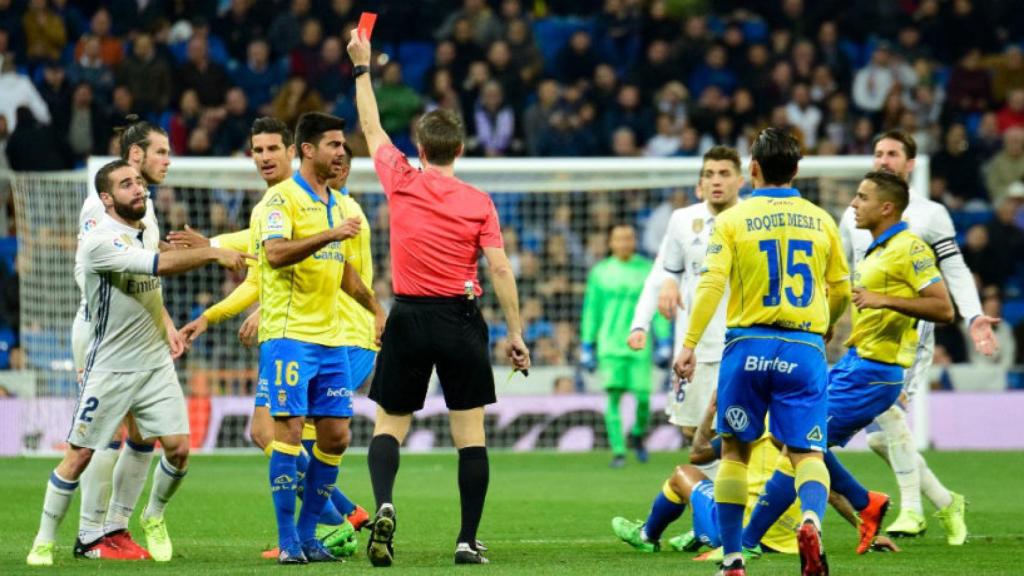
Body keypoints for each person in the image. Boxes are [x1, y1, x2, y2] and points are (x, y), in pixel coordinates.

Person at [347, 29, 530, 566]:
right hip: (459, 317)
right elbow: (497, 266)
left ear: (421, 149)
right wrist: (515, 333)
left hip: (407, 314)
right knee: (469, 435)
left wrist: (362, 68)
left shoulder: (401, 178)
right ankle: (466, 540)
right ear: (461, 149)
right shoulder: (478, 201)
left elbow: (371, 126)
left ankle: (384, 506)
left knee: (390, 425)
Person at [26, 160, 249, 566]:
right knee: (80, 455)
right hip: (110, 366)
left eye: (139, 182)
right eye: (127, 184)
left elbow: (152, 283)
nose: (138, 189)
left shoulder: (146, 229)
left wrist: (166, 325)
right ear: (107, 198)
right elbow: (157, 266)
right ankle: (44, 541)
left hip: (154, 364)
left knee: (179, 449)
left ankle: (152, 516)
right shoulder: (99, 242)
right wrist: (212, 253)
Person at [173, 127, 376, 557]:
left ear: (293, 153)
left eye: (272, 150)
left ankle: (333, 522)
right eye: (257, 150)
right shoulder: (278, 205)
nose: (264, 158)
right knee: (270, 430)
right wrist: (211, 251)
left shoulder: (335, 207)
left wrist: (263, 304)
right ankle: (327, 523)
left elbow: (316, 268)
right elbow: (262, 258)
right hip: (311, 333)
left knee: (286, 431)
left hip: (343, 334)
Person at [744, 171, 954, 558]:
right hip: (854, 363)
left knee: (798, 444)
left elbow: (943, 307)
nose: (854, 204)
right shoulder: (877, 248)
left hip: (876, 374)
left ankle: (746, 542)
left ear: (886, 207)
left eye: (862, 197)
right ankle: (864, 502)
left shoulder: (911, 249)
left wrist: (883, 299)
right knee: (789, 437)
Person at [674, 127, 850, 576]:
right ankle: (811, 519)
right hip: (804, 346)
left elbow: (711, 283)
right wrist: (825, 325)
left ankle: (733, 560)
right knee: (807, 454)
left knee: (734, 453)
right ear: (796, 169)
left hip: (747, 347)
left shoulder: (732, 220)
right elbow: (843, 290)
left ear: (752, 169)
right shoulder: (821, 219)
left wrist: (690, 343)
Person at [839, 129, 983, 544]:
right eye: (878, 152)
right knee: (881, 437)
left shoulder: (930, 214)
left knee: (890, 418)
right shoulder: (855, 211)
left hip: (908, 334)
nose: (883, 159)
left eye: (893, 153)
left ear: (911, 164)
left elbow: (953, 271)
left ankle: (912, 511)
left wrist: (973, 315)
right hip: (863, 328)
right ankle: (945, 501)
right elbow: (840, 264)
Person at [252, 111, 381, 564]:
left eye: (343, 144)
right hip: (289, 335)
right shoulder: (279, 201)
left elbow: (342, 269)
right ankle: (288, 541)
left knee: (337, 436)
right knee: (288, 432)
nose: (341, 151)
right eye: (333, 144)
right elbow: (275, 253)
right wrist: (329, 233)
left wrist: (376, 309)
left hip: (332, 338)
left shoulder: (343, 205)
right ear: (307, 150)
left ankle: (309, 537)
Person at [71, 118, 184, 562]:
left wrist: (166, 323)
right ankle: (89, 534)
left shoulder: (144, 206)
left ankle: (116, 526)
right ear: (136, 155)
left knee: (143, 436)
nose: (168, 160)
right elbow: (106, 271)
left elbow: (143, 276)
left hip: (140, 336)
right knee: (108, 435)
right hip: (103, 336)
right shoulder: (101, 209)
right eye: (161, 152)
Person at [641, 146, 743, 452]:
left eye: (725, 174)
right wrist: (669, 283)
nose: (716, 181)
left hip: (740, 339)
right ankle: (724, 491)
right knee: (690, 429)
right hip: (695, 343)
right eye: (709, 174)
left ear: (741, 180)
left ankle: (730, 495)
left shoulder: (752, 219)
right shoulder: (682, 219)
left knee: (738, 429)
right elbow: (668, 268)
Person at [581, 223, 668, 468]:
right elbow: (592, 310)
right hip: (609, 344)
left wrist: (663, 340)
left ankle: (638, 434)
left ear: (635, 241)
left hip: (640, 342)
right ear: (611, 243)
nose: (624, 243)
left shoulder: (647, 269)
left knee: (643, 398)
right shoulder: (600, 272)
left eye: (629, 238)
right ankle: (619, 451)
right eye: (619, 238)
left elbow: (657, 308)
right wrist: (587, 344)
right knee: (613, 398)